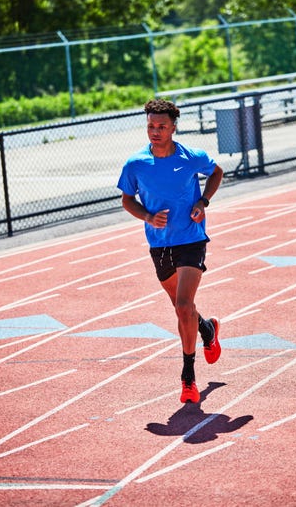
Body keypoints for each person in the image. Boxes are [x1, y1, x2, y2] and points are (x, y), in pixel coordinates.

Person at [117, 99, 223, 403]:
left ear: (173, 127)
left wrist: (203, 202)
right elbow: (127, 200)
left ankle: (188, 377)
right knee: (183, 308)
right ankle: (207, 329)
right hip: (159, 244)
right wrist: (148, 216)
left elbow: (217, 172)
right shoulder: (135, 163)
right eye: (151, 125)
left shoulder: (191, 156)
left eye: (162, 126)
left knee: (182, 304)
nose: (155, 131)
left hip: (191, 239)